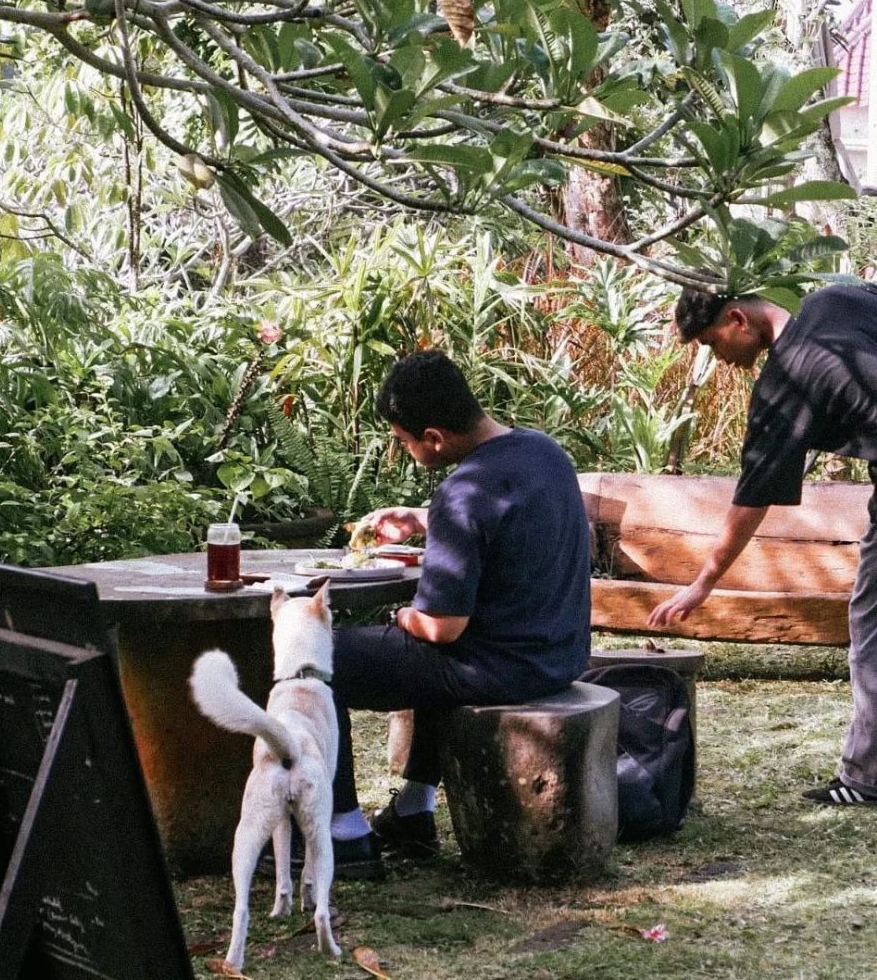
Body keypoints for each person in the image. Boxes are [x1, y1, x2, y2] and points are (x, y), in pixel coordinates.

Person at [327, 350, 592, 878]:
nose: (405, 451)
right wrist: (425, 521)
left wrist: (403, 616)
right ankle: (413, 810)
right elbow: (508, 516)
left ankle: (345, 832)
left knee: (323, 655)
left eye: (404, 441)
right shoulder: (544, 452)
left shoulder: (460, 492)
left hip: (497, 666)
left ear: (434, 438)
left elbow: (442, 628)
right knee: (418, 656)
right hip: (557, 653)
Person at [648, 285, 877, 806]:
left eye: (711, 345)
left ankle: (866, 777)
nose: (720, 360)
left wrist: (702, 584)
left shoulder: (784, 384)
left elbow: (752, 500)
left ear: (737, 319)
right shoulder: (835, 298)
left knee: (872, 625)